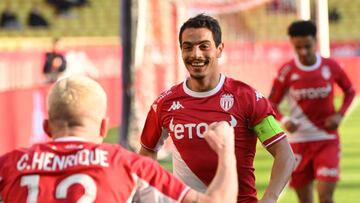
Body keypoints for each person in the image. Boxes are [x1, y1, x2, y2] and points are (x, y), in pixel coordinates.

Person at [0, 75, 238, 203]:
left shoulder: (8, 166)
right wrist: (226, 150)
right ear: (104, 126)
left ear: (46, 127)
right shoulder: (131, 166)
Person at [139, 14, 295, 203]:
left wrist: (270, 197)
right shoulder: (164, 104)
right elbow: (147, 151)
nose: (196, 54)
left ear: (219, 49)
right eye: (188, 47)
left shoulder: (248, 98)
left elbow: (284, 153)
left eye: (204, 46)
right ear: (181, 50)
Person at [268, 20, 356, 203]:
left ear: (315, 41)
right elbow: (271, 104)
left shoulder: (331, 66)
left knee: (325, 196)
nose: (303, 52)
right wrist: (284, 121)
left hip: (327, 140)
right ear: (292, 44)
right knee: (305, 200)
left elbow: (350, 91)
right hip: (299, 142)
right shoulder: (287, 71)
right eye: (298, 47)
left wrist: (340, 114)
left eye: (307, 46)